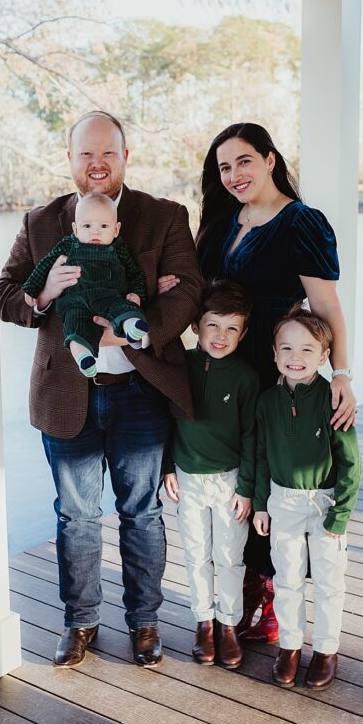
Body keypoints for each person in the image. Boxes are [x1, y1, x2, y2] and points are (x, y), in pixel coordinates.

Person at [0, 110, 202, 669]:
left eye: (107, 152)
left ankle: (144, 623)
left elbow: (188, 290)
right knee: (77, 516)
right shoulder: (40, 222)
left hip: (142, 392)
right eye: (86, 153)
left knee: (141, 513)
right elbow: (7, 292)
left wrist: (135, 326)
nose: (97, 164)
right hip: (67, 396)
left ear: (125, 156)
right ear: (70, 159)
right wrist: (43, 296)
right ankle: (80, 622)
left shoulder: (163, 217)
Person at [190, 122, 358, 644]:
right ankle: (235, 586)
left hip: (273, 365)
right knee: (233, 477)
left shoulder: (302, 222)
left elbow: (326, 306)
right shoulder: (223, 221)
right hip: (223, 363)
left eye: (244, 161)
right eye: (224, 167)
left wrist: (341, 374)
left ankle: (268, 591)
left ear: (269, 159)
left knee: (267, 473)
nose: (234, 175)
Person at [253, 305, 361, 690]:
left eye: (306, 350)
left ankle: (326, 650)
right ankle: (290, 646)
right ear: (274, 353)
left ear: (324, 356)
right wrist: (261, 503)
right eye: (286, 348)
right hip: (283, 502)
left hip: (325, 503)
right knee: (288, 578)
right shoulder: (268, 401)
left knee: (329, 580)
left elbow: (351, 464)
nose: (295, 357)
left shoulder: (332, 398)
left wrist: (340, 516)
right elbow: (261, 455)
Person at [163, 281, 259, 670]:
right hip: (188, 478)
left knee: (230, 557)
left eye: (232, 328)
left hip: (230, 481)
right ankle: (204, 622)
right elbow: (166, 419)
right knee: (196, 554)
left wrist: (247, 488)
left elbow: (252, 436)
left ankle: (228, 624)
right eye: (213, 325)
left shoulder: (246, 378)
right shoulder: (180, 366)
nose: (221, 336)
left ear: (243, 334)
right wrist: (168, 466)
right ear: (195, 326)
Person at [21, 192, 149, 378]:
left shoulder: (119, 249)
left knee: (124, 308)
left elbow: (134, 273)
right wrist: (33, 288)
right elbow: (45, 264)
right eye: (87, 226)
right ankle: (83, 357)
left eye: (103, 226)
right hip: (76, 301)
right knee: (74, 325)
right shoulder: (68, 245)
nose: (95, 231)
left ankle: (132, 327)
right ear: (75, 229)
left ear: (116, 229)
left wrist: (136, 294)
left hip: (110, 297)